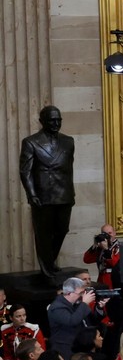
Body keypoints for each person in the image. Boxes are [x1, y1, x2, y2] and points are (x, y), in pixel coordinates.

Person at [19, 105, 75, 278]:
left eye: (58, 120)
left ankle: (49, 262)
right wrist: (32, 194)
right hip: (43, 195)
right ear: (42, 121)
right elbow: (25, 171)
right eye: (52, 120)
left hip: (64, 193)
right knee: (43, 233)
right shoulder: (31, 142)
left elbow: (69, 168)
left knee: (62, 229)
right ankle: (47, 269)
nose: (56, 123)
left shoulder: (69, 141)